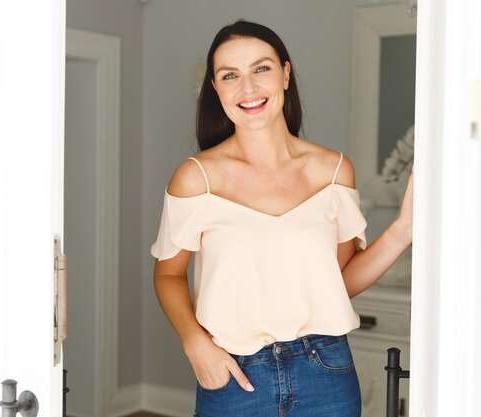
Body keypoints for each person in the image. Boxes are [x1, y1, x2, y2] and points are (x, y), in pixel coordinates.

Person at [151, 20, 413, 417]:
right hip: (235, 376)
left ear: (285, 74)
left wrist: (402, 230)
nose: (248, 89)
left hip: (326, 372)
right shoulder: (196, 178)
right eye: (230, 76)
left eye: (261, 69)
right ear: (216, 88)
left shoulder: (334, 170)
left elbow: (338, 282)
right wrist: (195, 343)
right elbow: (168, 274)